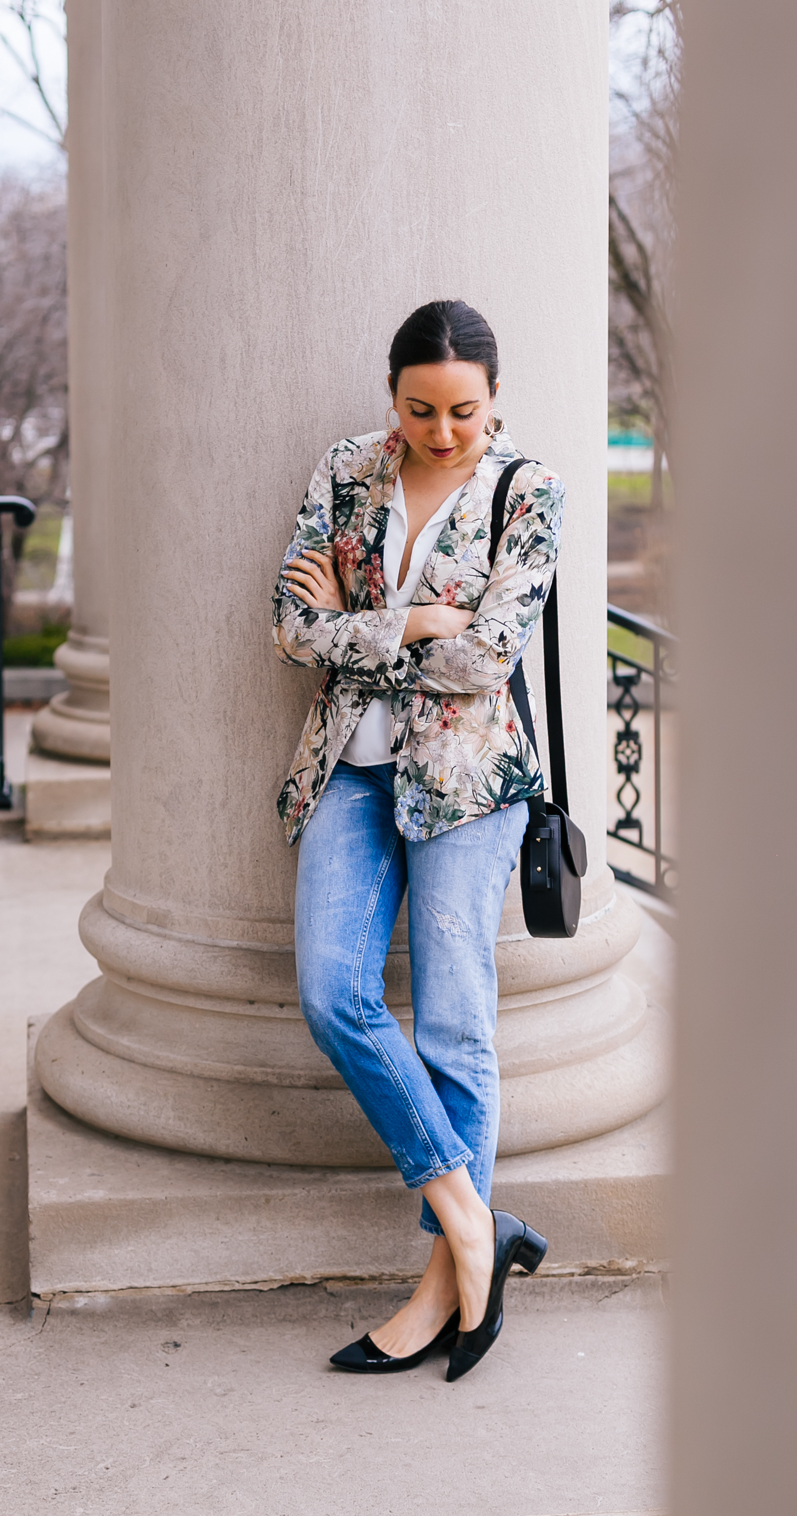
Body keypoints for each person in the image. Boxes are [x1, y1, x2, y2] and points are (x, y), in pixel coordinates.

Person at [272, 299, 564, 1381]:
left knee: (452, 1024)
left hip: (469, 784)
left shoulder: (526, 489)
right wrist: (414, 623)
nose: (441, 434)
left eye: (463, 413)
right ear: (389, 395)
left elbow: (488, 657)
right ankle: (473, 1215)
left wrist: (370, 628)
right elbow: (287, 626)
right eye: (419, 410)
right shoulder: (347, 469)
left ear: (494, 400)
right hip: (350, 771)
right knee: (330, 993)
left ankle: (446, 1280)